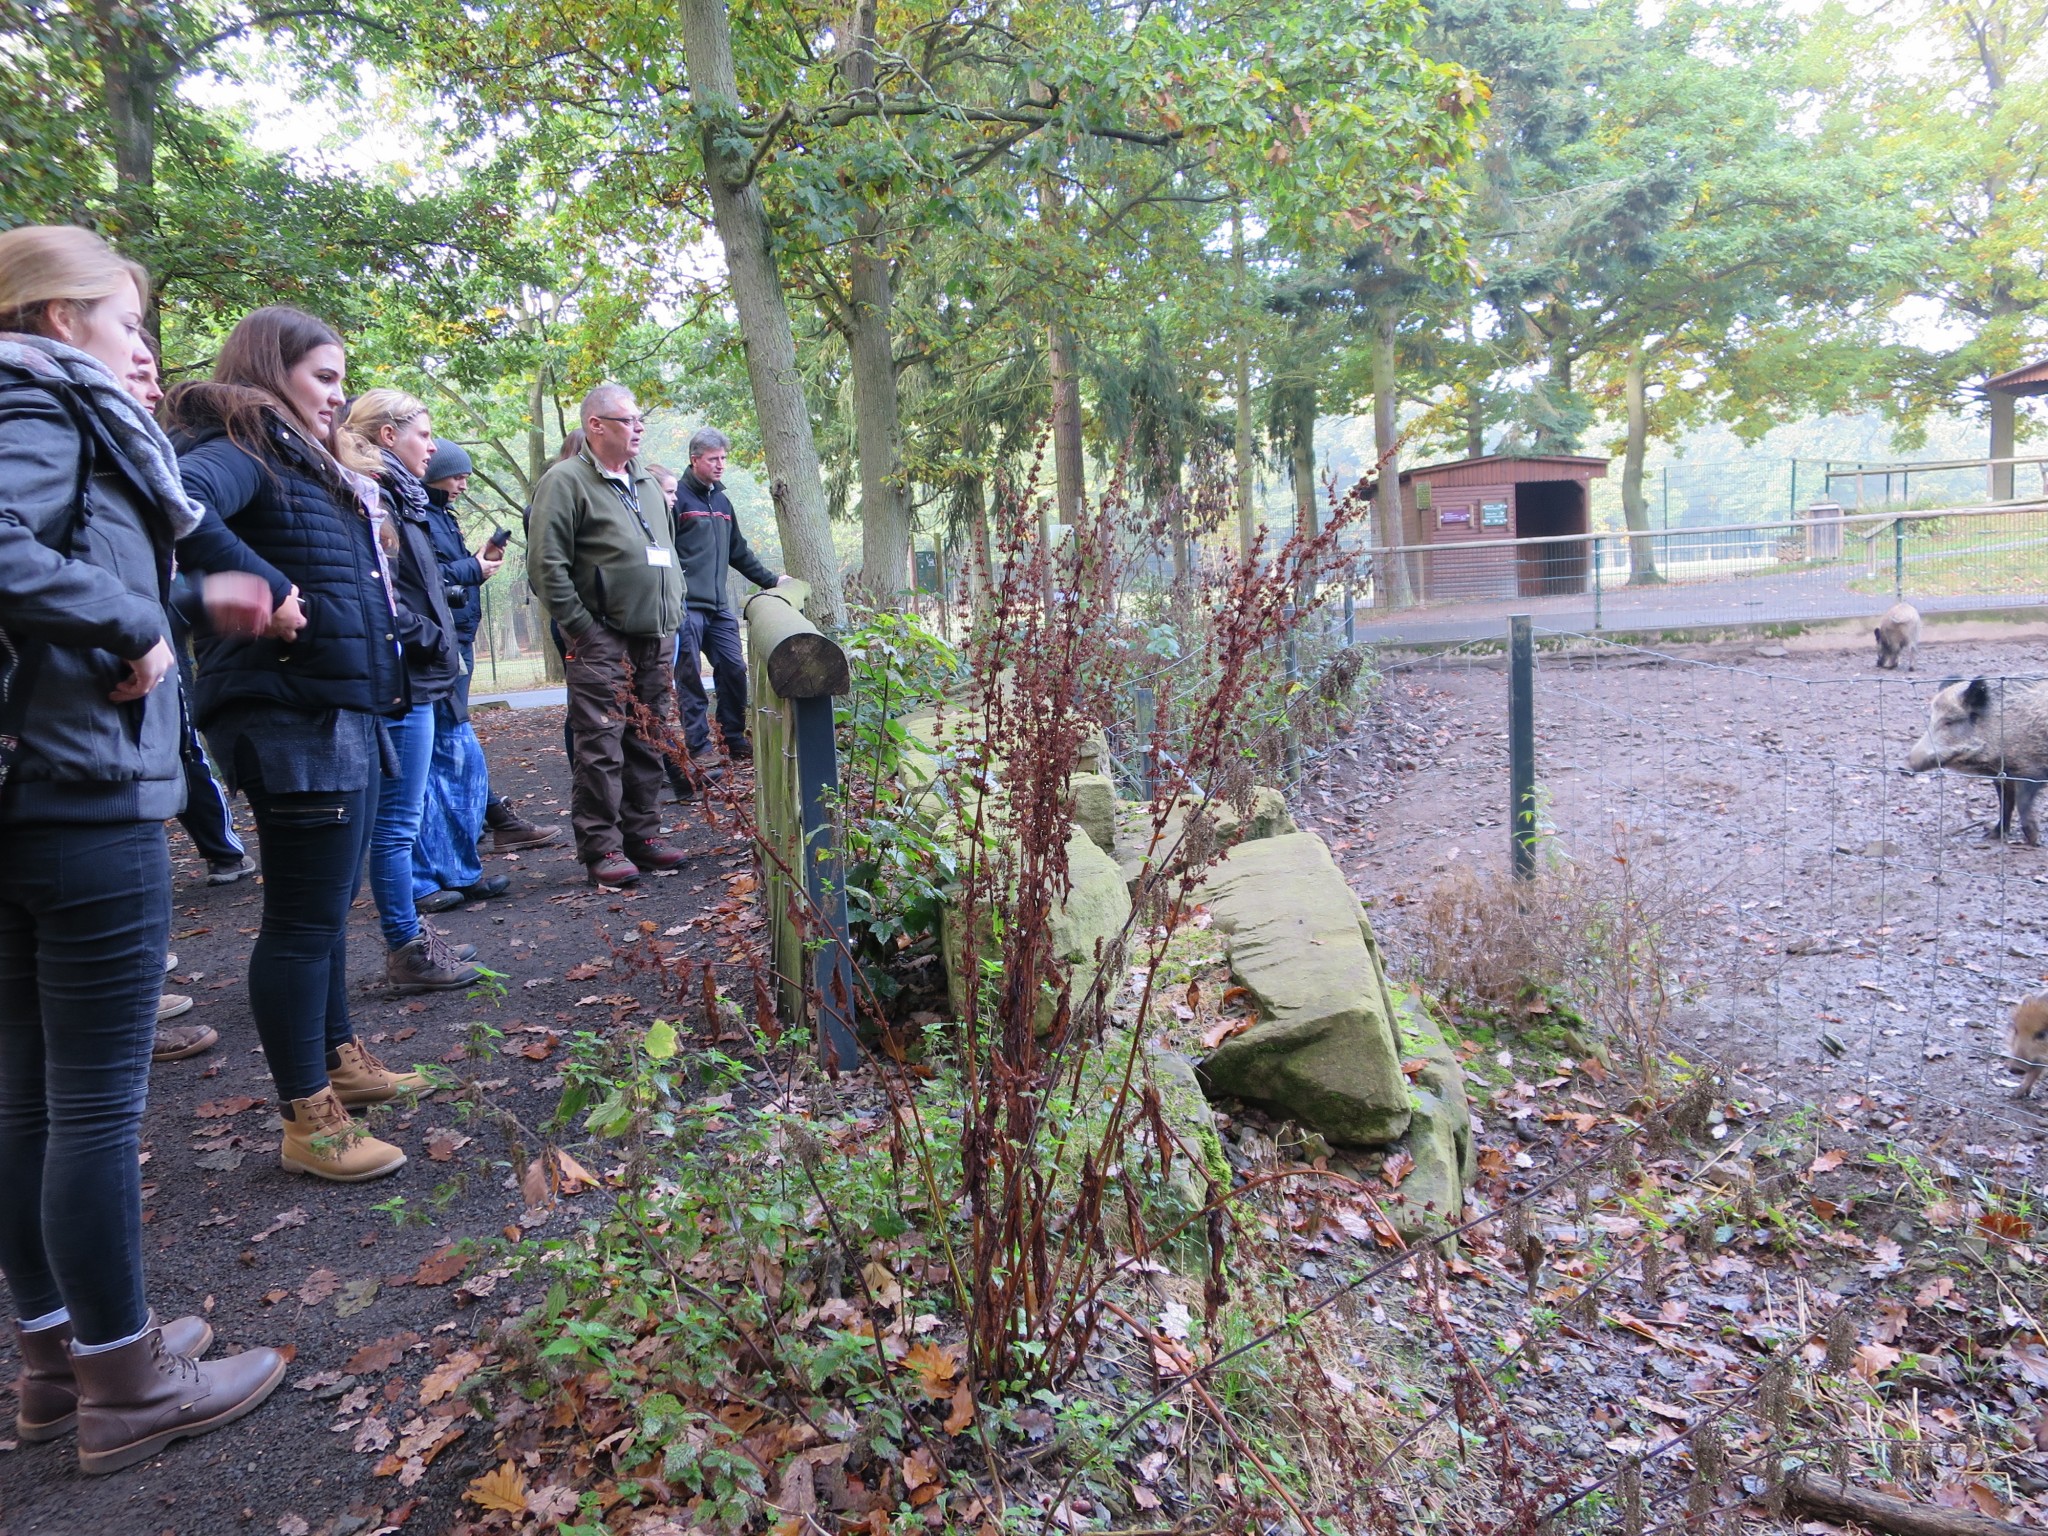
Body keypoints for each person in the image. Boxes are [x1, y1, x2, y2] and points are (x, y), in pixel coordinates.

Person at [0, 223, 286, 1474]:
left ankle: (58, 1362)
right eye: (126, 319)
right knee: (89, 1102)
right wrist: (134, 618)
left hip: (40, 783)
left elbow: (55, 572)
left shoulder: (50, 413)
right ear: (61, 318)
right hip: (77, 793)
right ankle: (128, 1382)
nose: (143, 346)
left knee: (27, 1093)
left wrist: (175, 602)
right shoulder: (36, 400)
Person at [166, 305, 431, 1183]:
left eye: (342, 379)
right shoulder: (239, 444)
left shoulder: (298, 455)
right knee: (299, 924)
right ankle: (307, 1120)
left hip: (337, 706)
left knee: (327, 912)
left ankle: (339, 1062)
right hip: (287, 715)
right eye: (322, 377)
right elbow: (179, 504)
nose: (337, 395)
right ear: (268, 369)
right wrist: (267, 586)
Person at [341, 393, 495, 990]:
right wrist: (432, 639)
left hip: (419, 674)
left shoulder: (401, 498)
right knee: (395, 824)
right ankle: (406, 947)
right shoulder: (372, 499)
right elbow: (379, 597)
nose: (432, 447)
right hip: (401, 681)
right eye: (424, 435)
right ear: (388, 435)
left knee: (396, 820)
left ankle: (410, 938)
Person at [527, 385, 689, 886]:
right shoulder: (565, 481)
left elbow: (667, 552)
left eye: (640, 420)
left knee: (649, 738)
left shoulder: (645, 481)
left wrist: (675, 608)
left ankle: (643, 835)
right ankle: (602, 848)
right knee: (600, 743)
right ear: (596, 425)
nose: (638, 428)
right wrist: (583, 628)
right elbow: (546, 565)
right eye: (627, 420)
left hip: (655, 635)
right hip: (601, 637)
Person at [411, 439, 558, 910]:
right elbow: (427, 579)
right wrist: (472, 568)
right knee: (441, 760)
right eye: (457, 476)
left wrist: (475, 562)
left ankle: (459, 869)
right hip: (432, 647)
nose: (462, 484)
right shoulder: (414, 511)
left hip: (455, 642)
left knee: (458, 759)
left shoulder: (440, 514)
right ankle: (424, 881)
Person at [671, 427, 789, 764]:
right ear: (694, 460)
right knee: (689, 677)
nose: (720, 464)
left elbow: (738, 552)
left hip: (718, 606)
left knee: (734, 669)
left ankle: (732, 737)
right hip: (685, 606)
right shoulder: (676, 499)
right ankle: (699, 747)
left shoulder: (722, 502)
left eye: (723, 458)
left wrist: (772, 580)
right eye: (713, 459)